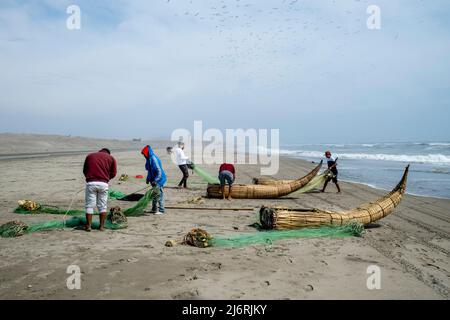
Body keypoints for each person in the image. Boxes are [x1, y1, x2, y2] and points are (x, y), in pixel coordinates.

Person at [83, 148, 117, 231]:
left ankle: (88, 226)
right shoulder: (111, 158)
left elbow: (85, 170)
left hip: (91, 183)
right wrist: (106, 178)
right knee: (102, 206)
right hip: (104, 184)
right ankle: (101, 227)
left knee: (89, 205)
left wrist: (90, 178)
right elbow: (114, 173)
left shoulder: (90, 156)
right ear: (108, 153)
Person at [141, 145, 167, 214]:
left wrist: (156, 180)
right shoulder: (148, 159)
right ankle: (154, 209)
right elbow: (150, 171)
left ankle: (161, 210)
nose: (144, 156)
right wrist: (148, 179)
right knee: (154, 194)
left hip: (160, 179)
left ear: (147, 153)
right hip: (153, 180)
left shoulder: (153, 159)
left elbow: (159, 171)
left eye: (144, 154)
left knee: (159, 194)